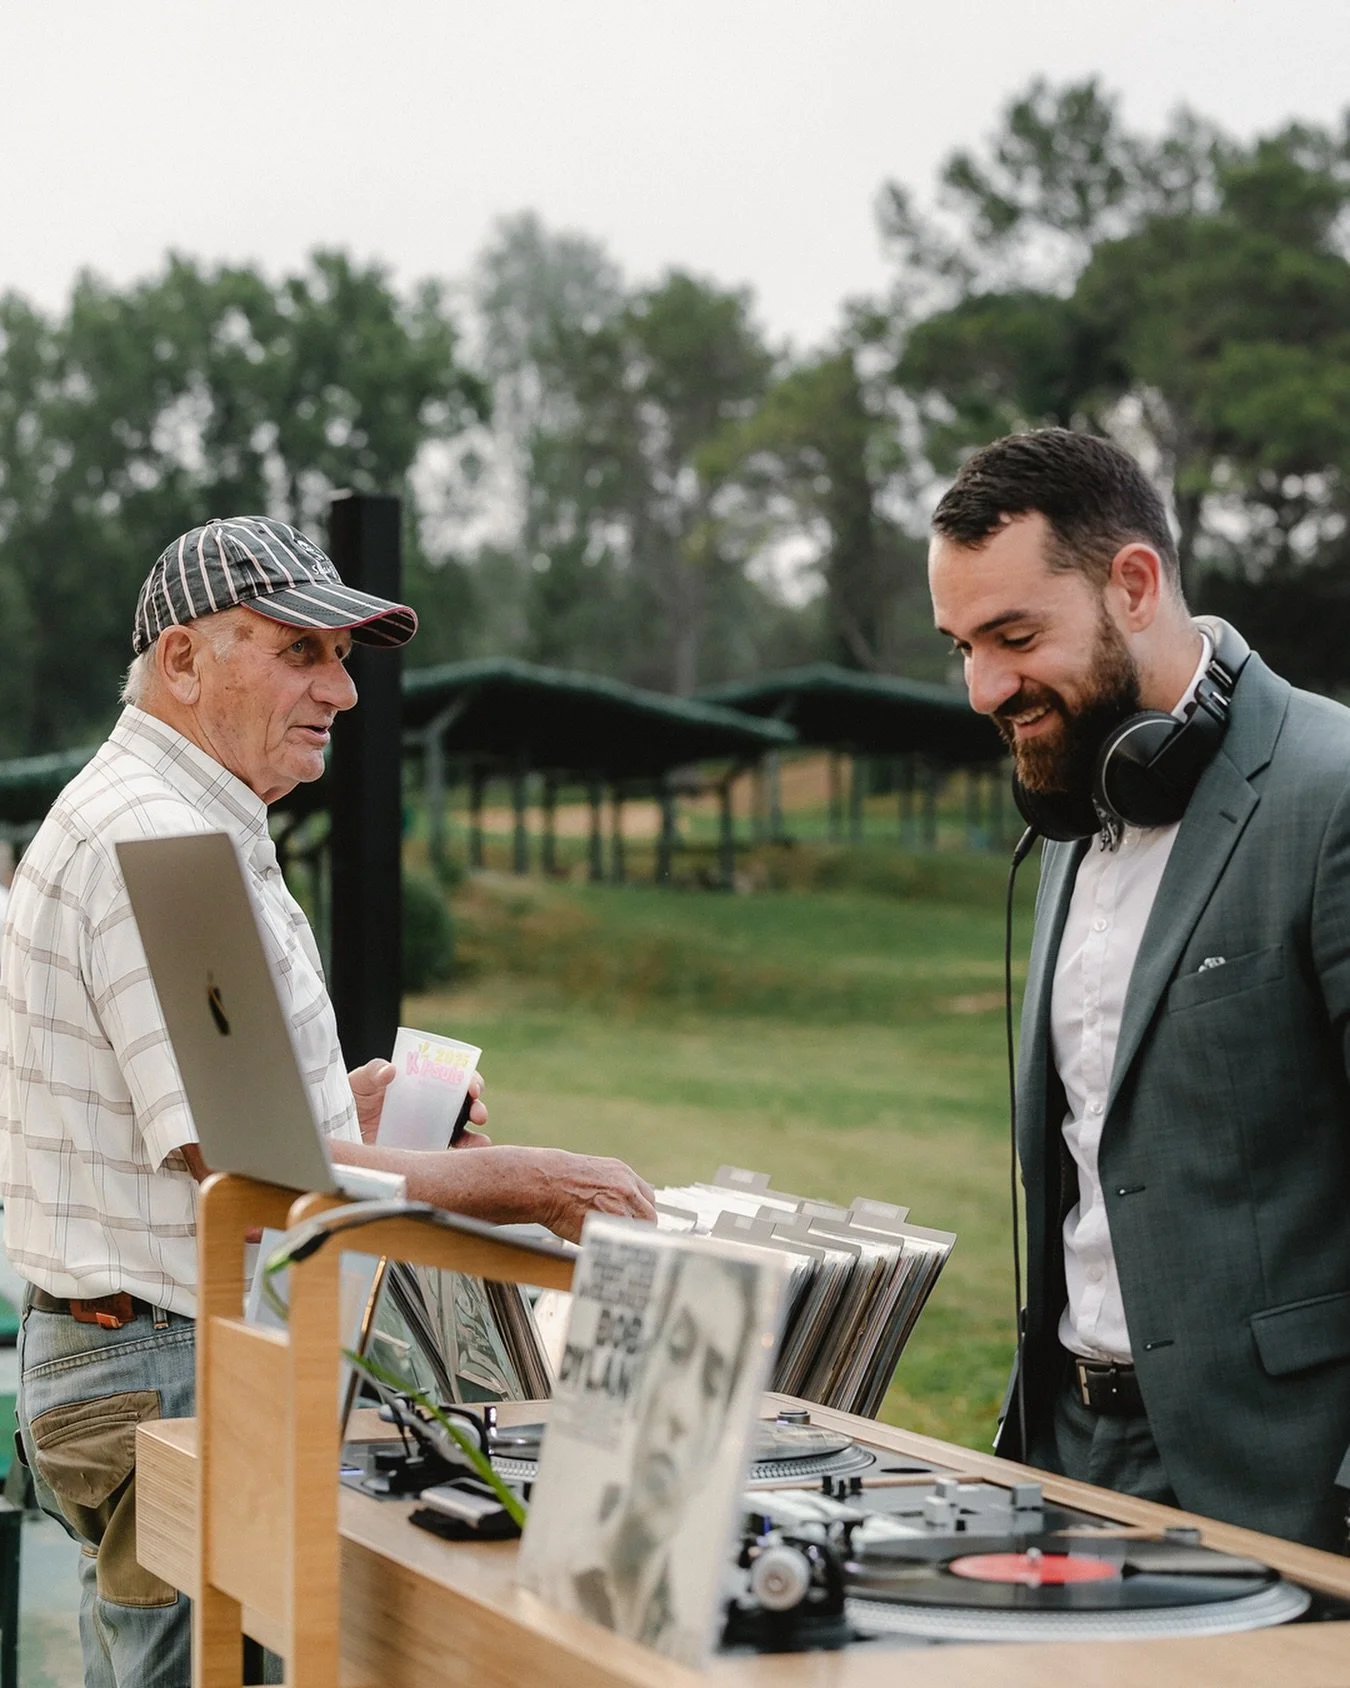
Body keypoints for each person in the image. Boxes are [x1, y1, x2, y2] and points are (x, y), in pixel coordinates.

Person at [0, 515, 656, 1688]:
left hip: (142, 1347)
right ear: (184, 660)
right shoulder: (160, 831)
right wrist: (529, 1185)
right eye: (301, 650)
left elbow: (220, 1117)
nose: (343, 690)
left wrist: (338, 1102)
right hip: (166, 1352)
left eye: (344, 655)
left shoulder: (163, 816)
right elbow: (248, 1169)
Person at [928, 429, 1350, 1554]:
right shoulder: (1078, 799)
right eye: (961, 645)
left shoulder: (1332, 793)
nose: (984, 687)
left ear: (1134, 582)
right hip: (1069, 1466)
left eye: (1014, 636)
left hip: (1287, 1489)